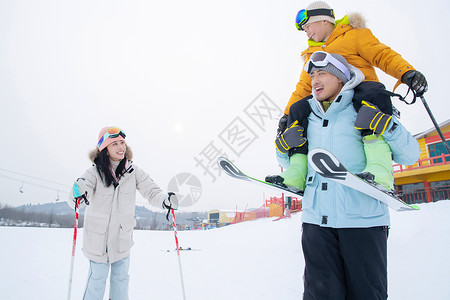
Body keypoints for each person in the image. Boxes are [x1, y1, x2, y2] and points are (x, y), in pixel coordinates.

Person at [276, 53, 420, 299]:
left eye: (322, 73)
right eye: (312, 75)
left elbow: (410, 155)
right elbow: (288, 163)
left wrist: (388, 125)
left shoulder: (366, 104)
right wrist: (282, 147)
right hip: (316, 224)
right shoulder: (305, 112)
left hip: (363, 223)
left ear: (341, 77)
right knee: (320, 294)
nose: (315, 80)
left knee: (366, 294)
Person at [268, 1, 427, 191]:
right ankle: (297, 173)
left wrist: (406, 73)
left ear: (323, 20)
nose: (307, 32)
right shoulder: (313, 54)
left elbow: (382, 55)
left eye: (308, 26)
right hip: (331, 101)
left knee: (371, 94)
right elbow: (303, 87)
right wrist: (287, 114)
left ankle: (379, 169)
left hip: (362, 92)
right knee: (298, 109)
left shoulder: (353, 35)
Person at [69, 126, 178, 300]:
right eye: (114, 144)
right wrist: (77, 194)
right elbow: (79, 197)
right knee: (97, 279)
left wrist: (165, 200)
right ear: (104, 149)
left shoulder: (134, 171)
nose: (121, 147)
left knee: (121, 280)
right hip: (98, 240)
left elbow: (152, 191)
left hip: (122, 239)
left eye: (122, 143)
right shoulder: (93, 172)